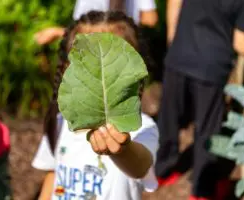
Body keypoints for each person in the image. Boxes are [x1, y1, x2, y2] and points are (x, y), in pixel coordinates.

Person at [31, 11, 159, 200]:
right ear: (67, 69)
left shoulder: (142, 127)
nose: (100, 75)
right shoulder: (60, 124)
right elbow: (53, 175)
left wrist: (123, 151)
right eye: (86, 61)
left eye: (114, 62)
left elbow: (140, 166)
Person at [155, 0, 244, 199]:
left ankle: (161, 172)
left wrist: (173, 39)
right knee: (207, 129)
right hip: (212, 66)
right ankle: (201, 190)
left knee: (168, 120)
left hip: (179, 56)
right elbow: (240, 41)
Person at [34, 0, 158, 45]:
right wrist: (131, 19)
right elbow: (151, 18)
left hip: (100, 58)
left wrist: (57, 32)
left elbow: (85, 32)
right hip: (129, 50)